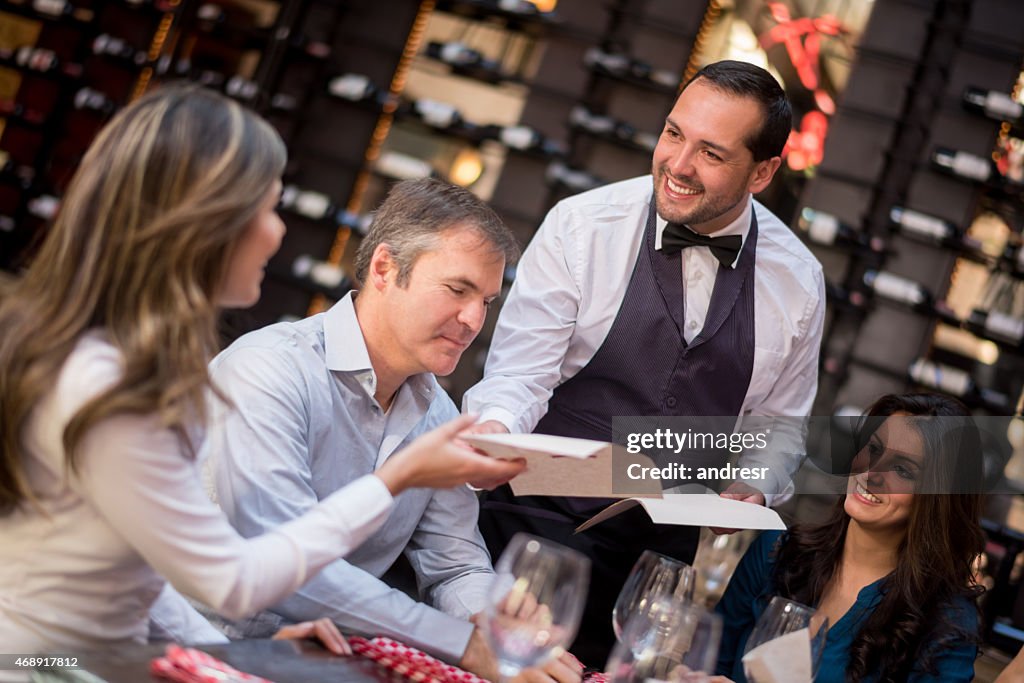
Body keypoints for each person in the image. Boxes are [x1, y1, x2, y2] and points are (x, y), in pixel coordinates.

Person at [0, 84, 523, 679]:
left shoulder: (130, 364)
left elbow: (133, 572)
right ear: (200, 221)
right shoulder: (129, 381)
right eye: (266, 209)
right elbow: (233, 579)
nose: (278, 233)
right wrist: (398, 478)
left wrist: (235, 655)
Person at [463, 59, 825, 662]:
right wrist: (494, 434)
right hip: (538, 527)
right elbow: (519, 376)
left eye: (711, 153)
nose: (677, 165)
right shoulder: (582, 228)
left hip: (661, 571)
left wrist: (753, 486)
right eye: (673, 133)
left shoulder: (799, 281)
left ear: (762, 171)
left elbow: (780, 425)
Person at [202, 178, 580, 682]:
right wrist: (465, 645)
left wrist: (494, 621)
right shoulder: (268, 371)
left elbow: (455, 565)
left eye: (486, 301)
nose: (473, 320)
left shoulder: (439, 417)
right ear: (384, 268)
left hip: (311, 666)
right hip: (180, 649)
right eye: (457, 289)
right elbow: (284, 570)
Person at [714, 393, 984, 683]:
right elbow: (707, 659)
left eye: (903, 469)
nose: (871, 473)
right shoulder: (776, 552)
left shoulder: (947, 623)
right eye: (874, 449)